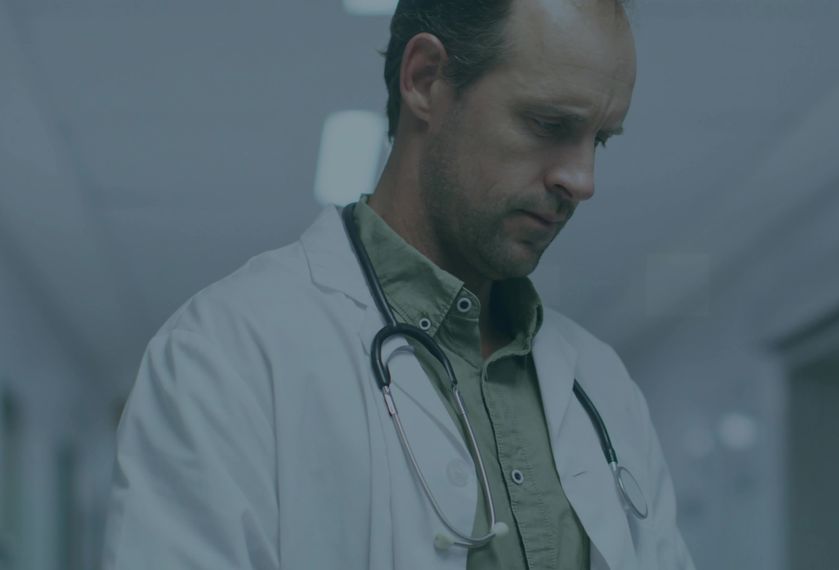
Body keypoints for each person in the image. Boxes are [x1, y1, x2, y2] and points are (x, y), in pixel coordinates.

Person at [102, 0, 696, 568]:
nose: (582, 179)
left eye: (600, 140)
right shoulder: (226, 356)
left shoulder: (603, 386)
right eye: (549, 124)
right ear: (425, 78)